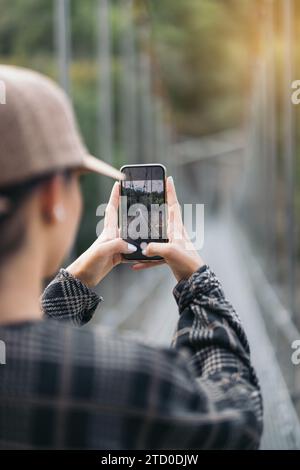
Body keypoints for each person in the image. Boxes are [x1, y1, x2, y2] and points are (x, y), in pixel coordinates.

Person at [0, 65, 263, 450]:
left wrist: (73, 288)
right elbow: (238, 421)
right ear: (52, 198)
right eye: (78, 178)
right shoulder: (135, 380)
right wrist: (200, 288)